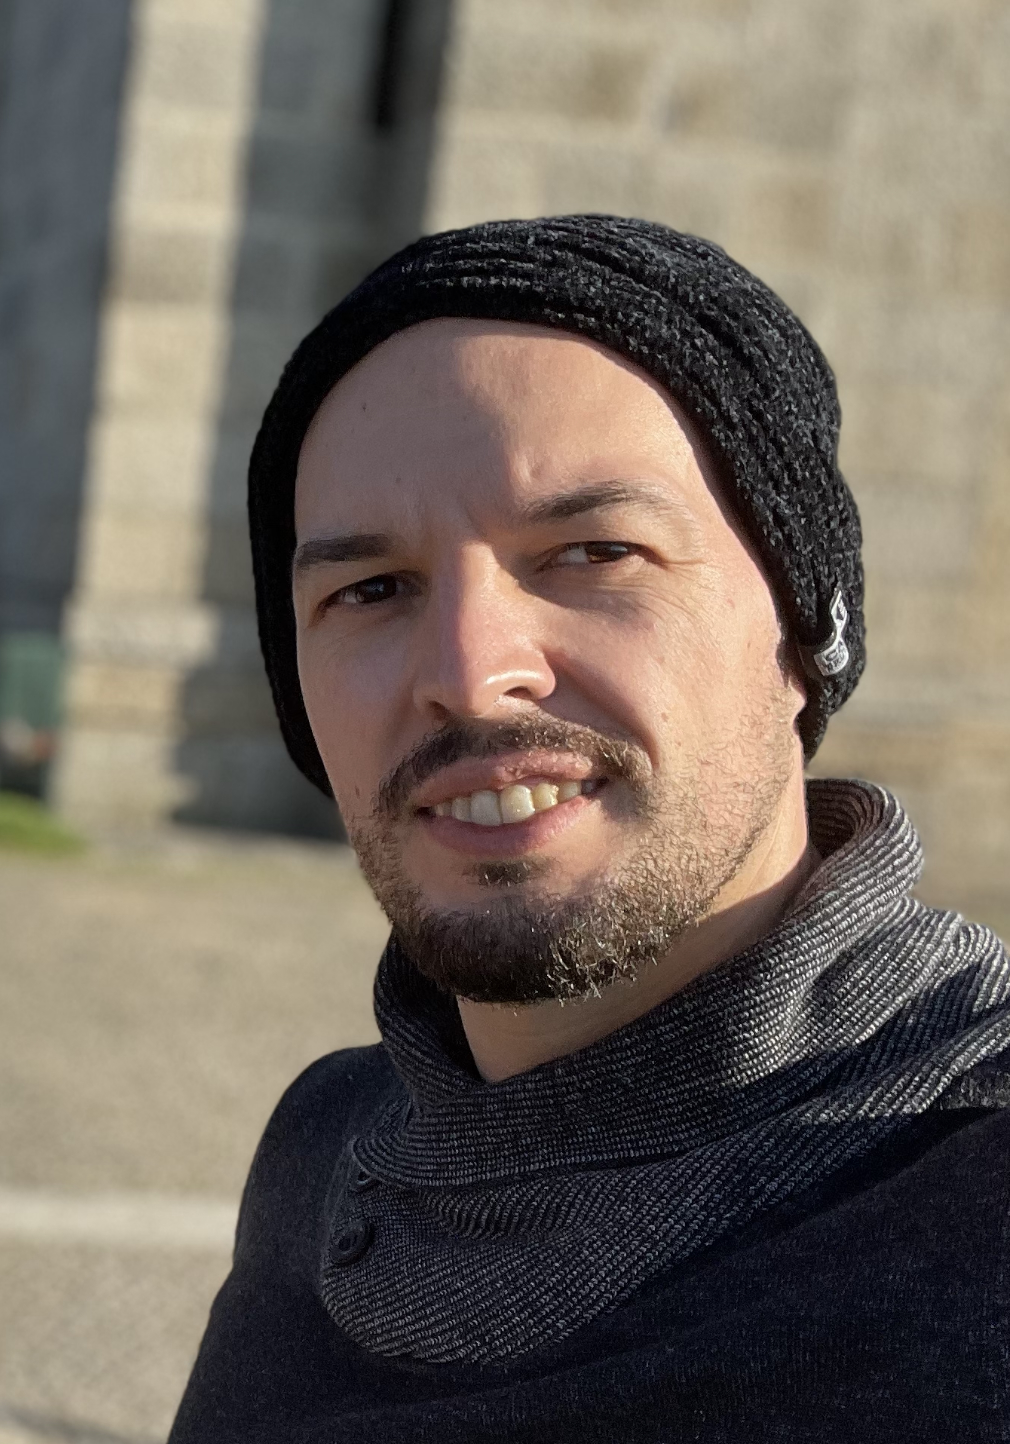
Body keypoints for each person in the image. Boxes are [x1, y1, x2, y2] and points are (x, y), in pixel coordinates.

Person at [168, 217, 1010, 1443]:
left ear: (801, 632)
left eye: (592, 552)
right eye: (369, 589)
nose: (470, 674)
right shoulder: (323, 1144)